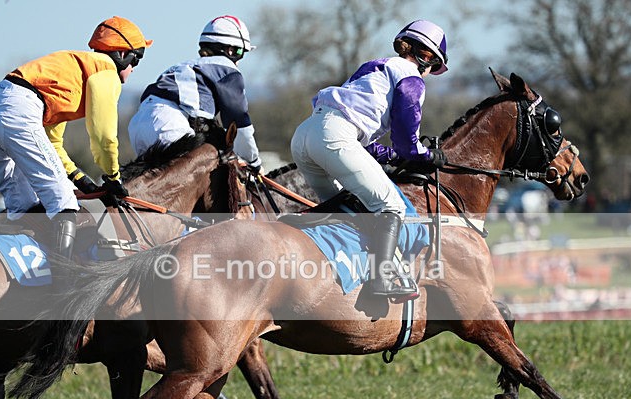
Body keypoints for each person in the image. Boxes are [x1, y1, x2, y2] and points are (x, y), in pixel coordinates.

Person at [290, 19, 449, 299]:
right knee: (392, 206)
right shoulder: (411, 77)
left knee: (346, 208)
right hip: (335, 136)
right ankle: (383, 278)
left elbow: (369, 144)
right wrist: (426, 156)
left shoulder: (374, 66)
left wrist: (397, 156)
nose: (429, 74)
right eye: (433, 67)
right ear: (427, 58)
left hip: (306, 135)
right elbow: (406, 143)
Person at [0, 16, 153, 259]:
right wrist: (112, 177)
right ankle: (62, 285)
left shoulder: (73, 73)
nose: (131, 72)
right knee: (65, 204)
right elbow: (103, 135)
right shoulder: (106, 70)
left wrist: (81, 179)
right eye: (137, 61)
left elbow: (52, 143)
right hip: (18, 110)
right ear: (122, 55)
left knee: (24, 208)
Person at [128, 15, 261, 174]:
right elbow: (240, 124)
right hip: (170, 126)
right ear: (230, 50)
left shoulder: (181, 66)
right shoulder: (227, 69)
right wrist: (254, 162)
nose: (239, 61)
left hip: (137, 125)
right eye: (241, 52)